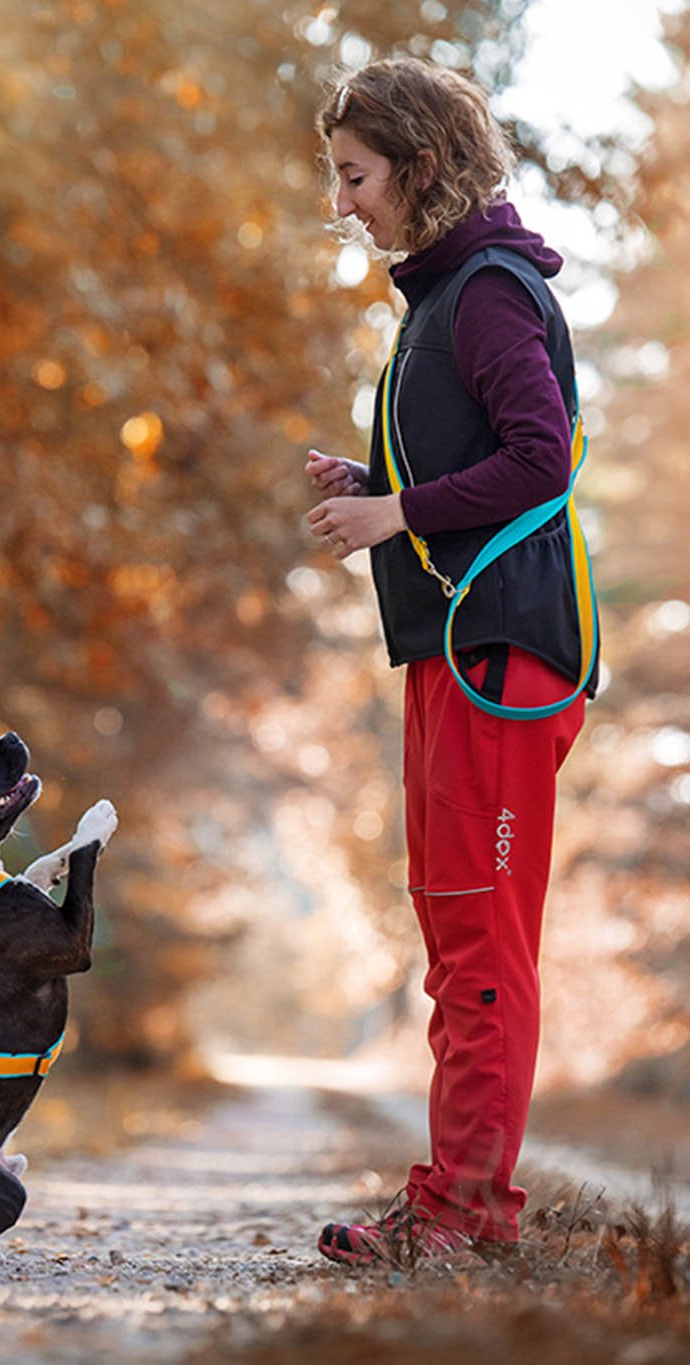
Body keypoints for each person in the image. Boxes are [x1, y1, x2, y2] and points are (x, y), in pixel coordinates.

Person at [305, 57, 598, 1268]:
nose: (339, 202)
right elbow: (473, 477)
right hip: (452, 656)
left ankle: (466, 1219)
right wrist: (375, 490)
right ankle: (447, 1203)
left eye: (353, 175)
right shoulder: (437, 301)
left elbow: (544, 457)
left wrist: (397, 514)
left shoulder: (483, 292)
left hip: (501, 665)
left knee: (482, 944)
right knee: (451, 936)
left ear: (418, 169)